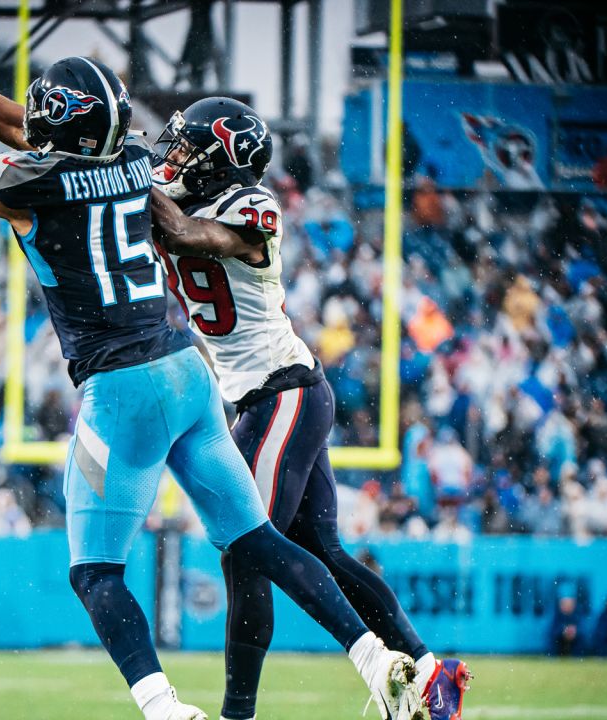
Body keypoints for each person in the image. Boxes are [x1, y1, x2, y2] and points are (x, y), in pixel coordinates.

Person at [0, 18, 423, 720]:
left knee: (96, 569)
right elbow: (30, 137)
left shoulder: (37, 180)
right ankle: (378, 660)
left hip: (120, 391)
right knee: (257, 539)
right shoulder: (135, 164)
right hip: (187, 374)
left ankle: (167, 707)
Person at [149, 97, 469, 720]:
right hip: (273, 396)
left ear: (220, 160)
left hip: (282, 392)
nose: (172, 157)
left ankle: (243, 712)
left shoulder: (247, 206)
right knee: (321, 551)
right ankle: (432, 675)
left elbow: (186, 234)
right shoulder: (176, 190)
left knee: (246, 548)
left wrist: (124, 171)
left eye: (188, 147)